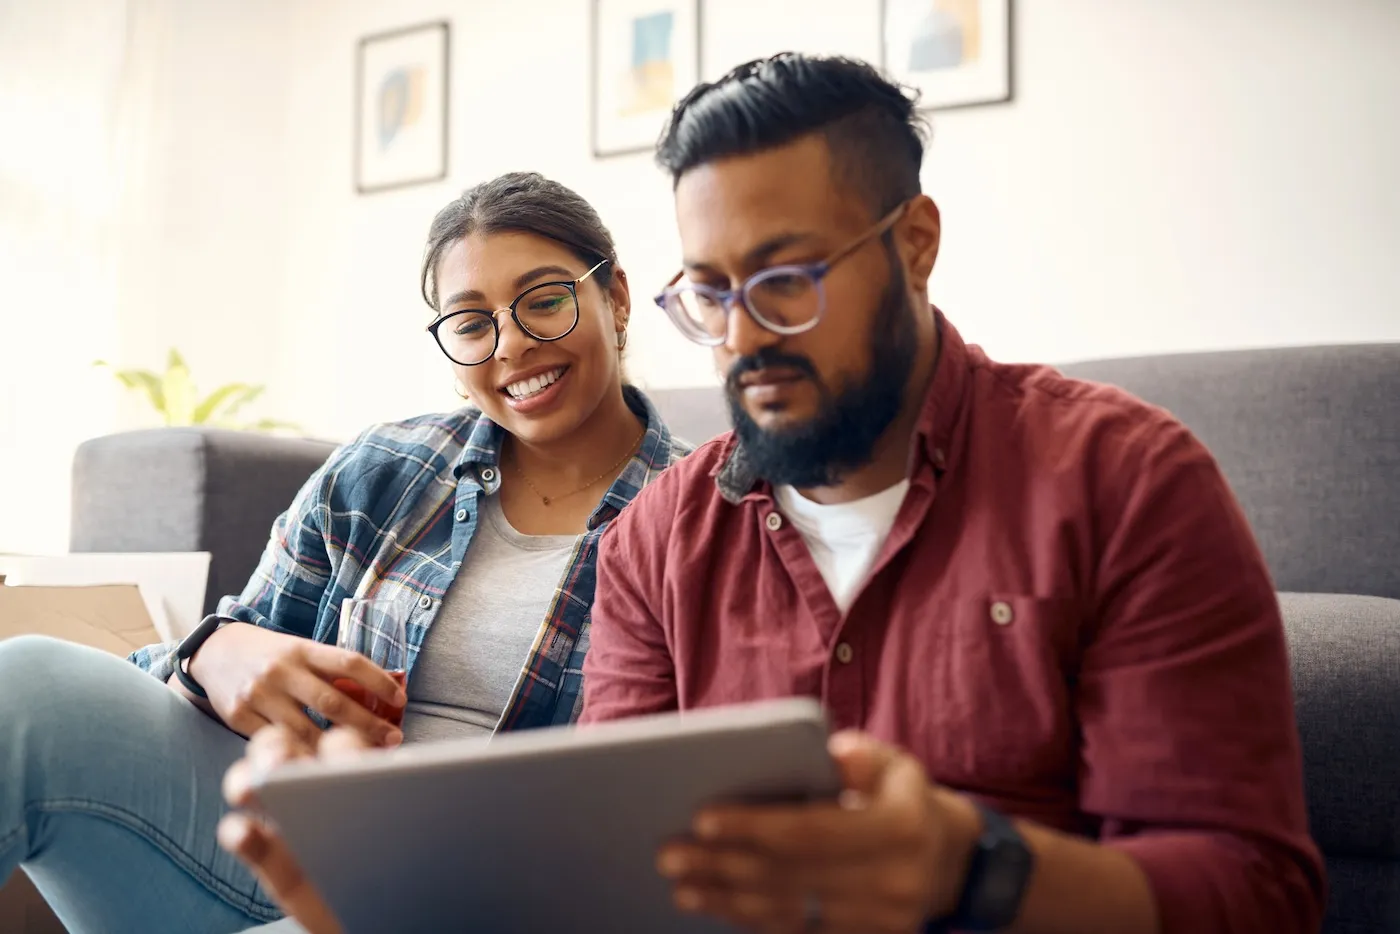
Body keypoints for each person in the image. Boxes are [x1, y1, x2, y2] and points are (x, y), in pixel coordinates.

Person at [220, 54, 1326, 934]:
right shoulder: (658, 539)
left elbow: (1252, 892)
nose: (741, 336)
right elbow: (606, 889)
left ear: (916, 243)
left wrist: (974, 868)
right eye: (707, 292)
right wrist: (367, 902)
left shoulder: (1123, 482)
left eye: (785, 280)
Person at [0, 171, 690, 934]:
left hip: (482, 894)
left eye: (546, 300)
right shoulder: (384, 469)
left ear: (616, 296)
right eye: (470, 322)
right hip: (284, 834)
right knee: (24, 682)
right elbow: (201, 673)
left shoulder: (704, 513)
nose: (514, 343)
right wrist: (214, 652)